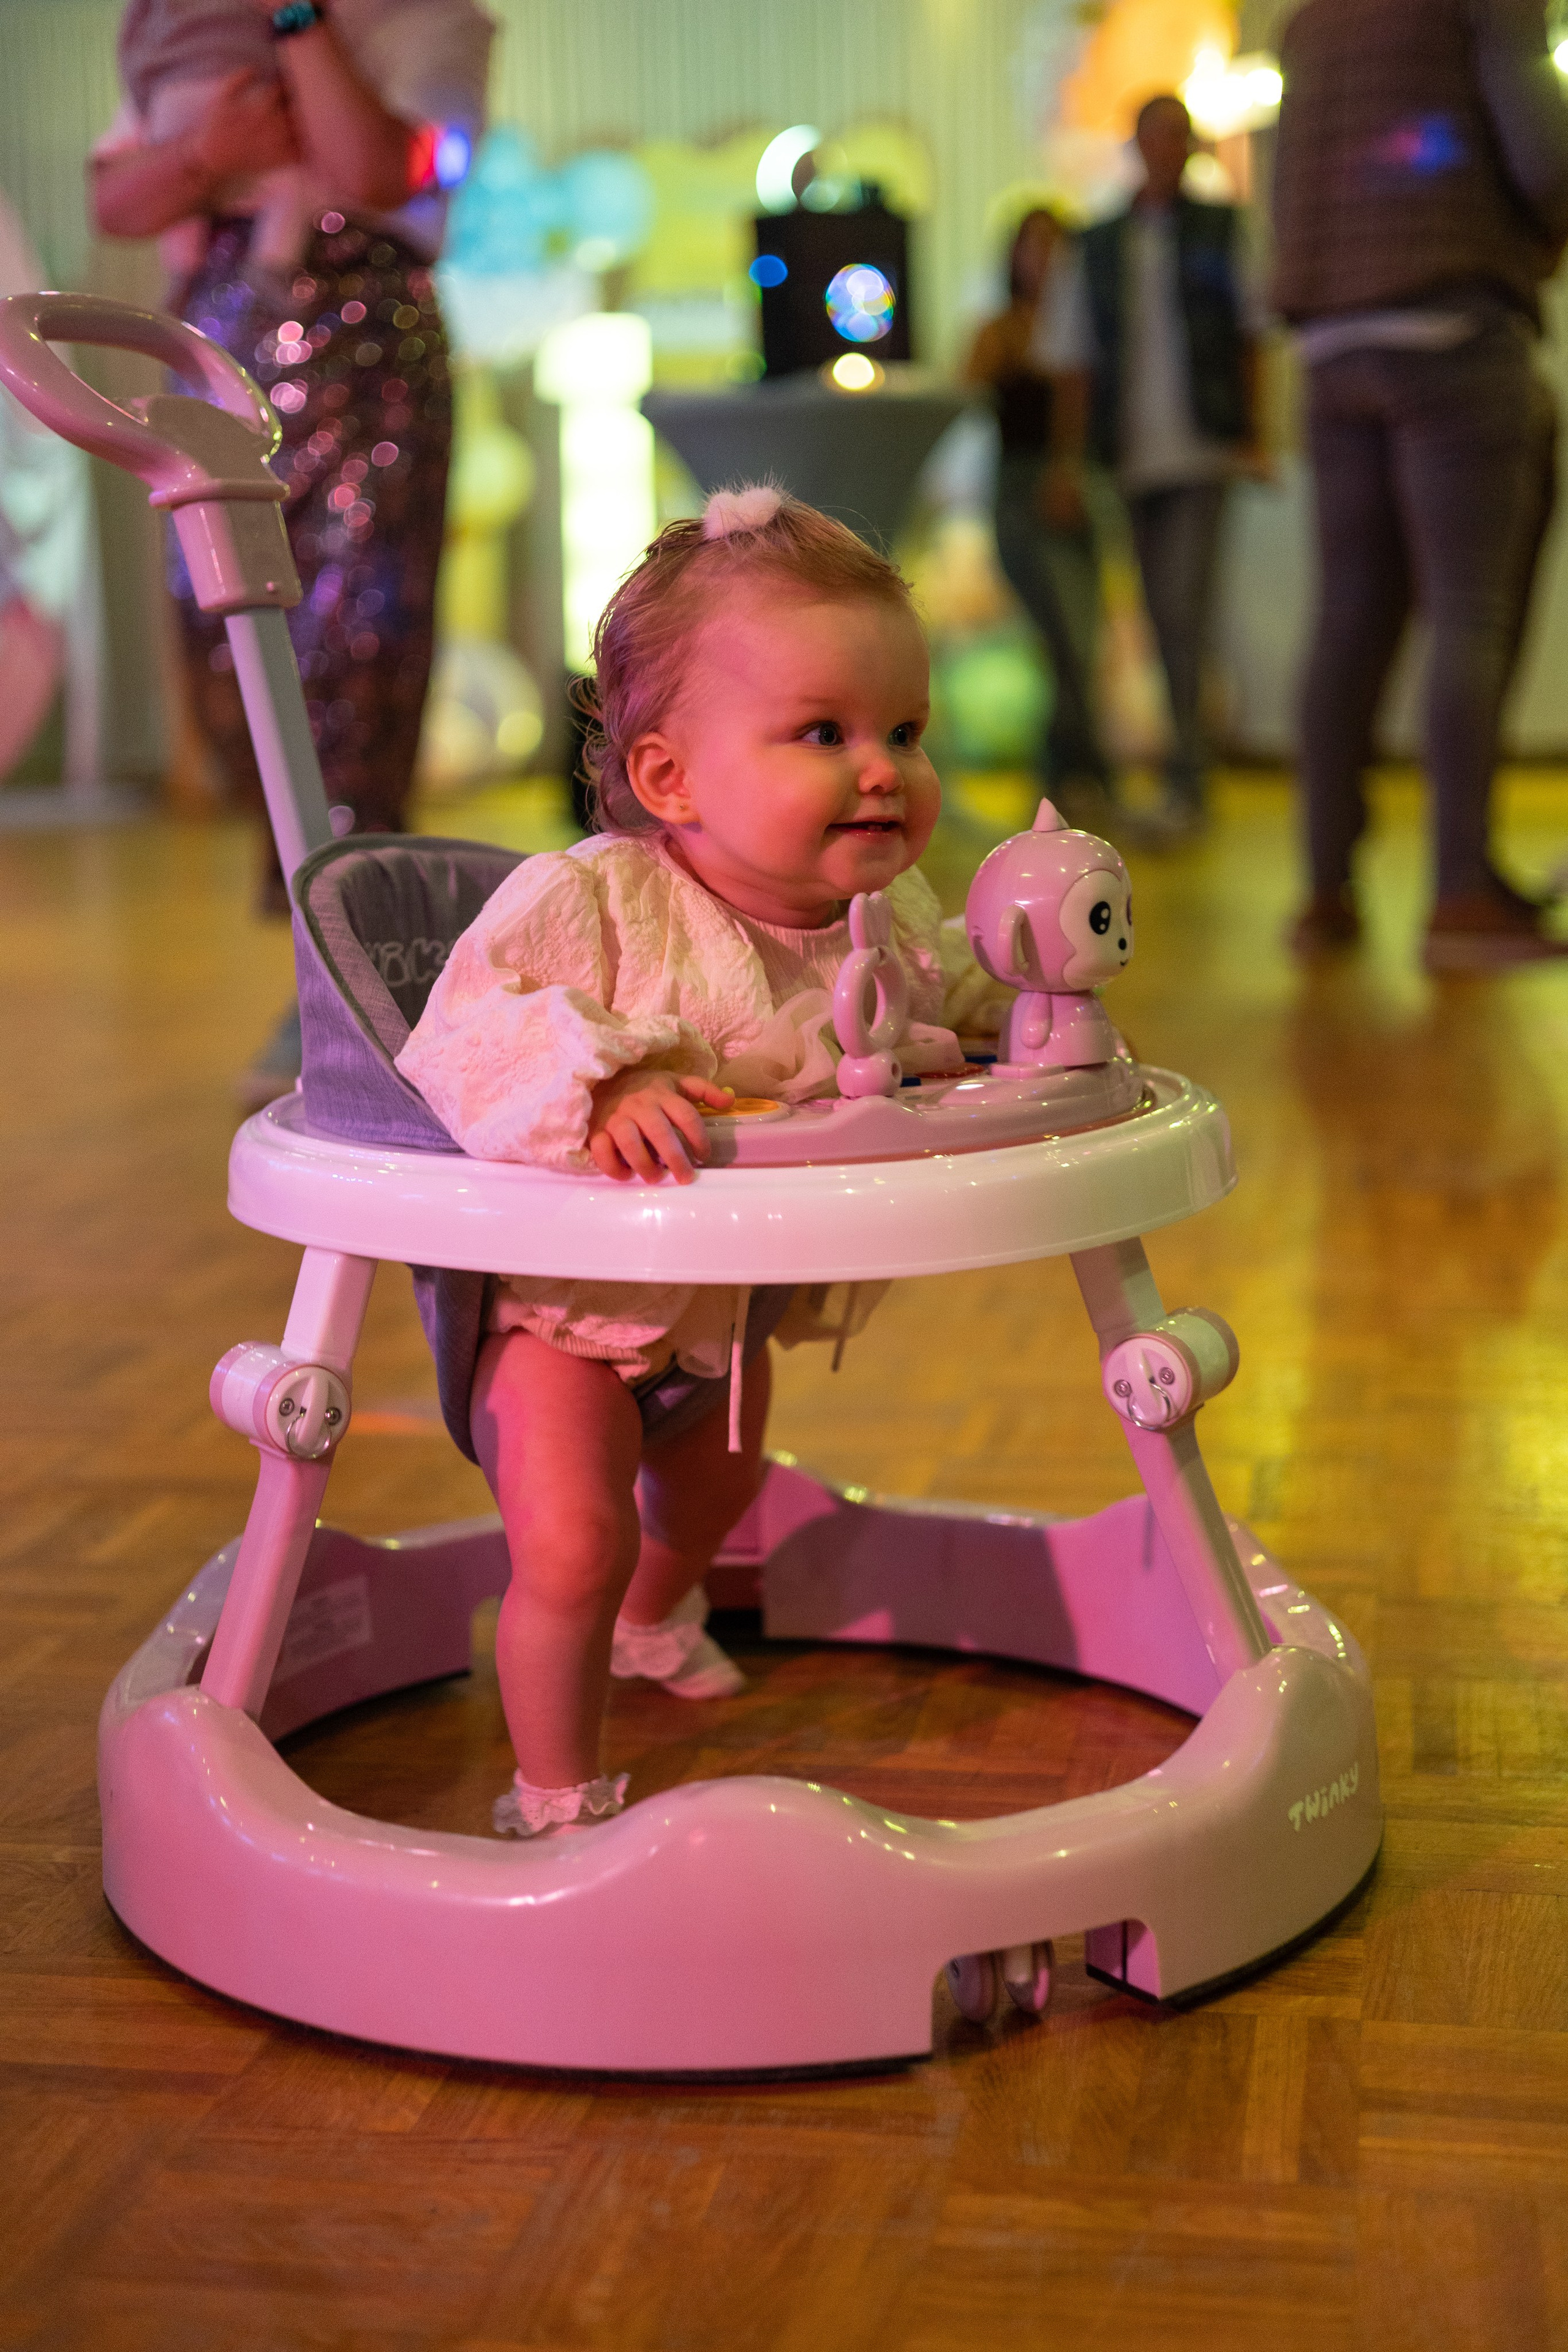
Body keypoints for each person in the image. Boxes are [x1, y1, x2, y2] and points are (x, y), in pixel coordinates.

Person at [394, 485, 1009, 1838]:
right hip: (560, 1323)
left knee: (718, 1490)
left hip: (722, 1314)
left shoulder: (885, 909)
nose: (882, 770)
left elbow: (951, 992)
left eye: (905, 732)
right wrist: (602, 1079)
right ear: (671, 779)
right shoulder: (593, 899)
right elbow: (464, 1029)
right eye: (824, 733)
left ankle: (651, 1618)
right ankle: (554, 1796)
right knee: (573, 1541)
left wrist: (1029, 1012)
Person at [91, 0, 493, 1093]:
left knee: (357, 656)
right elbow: (116, 200)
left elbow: (378, 167)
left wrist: (297, 24)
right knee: (223, 651)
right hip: (218, 342)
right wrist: (206, 153)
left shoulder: (430, 25)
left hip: (369, 346)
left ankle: (354, 983)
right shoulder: (187, 31)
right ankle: (337, 963)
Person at [1273, 0, 1568, 968]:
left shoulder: (1309, 18)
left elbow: (1289, 187)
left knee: (1348, 618)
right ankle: (1461, 892)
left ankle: (1325, 889)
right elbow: (1547, 160)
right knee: (1469, 612)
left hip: (1330, 343)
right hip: (1453, 325)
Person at [1040, 93, 1269, 837]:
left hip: (1200, 449)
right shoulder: (1096, 244)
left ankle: (1188, 780)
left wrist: (1253, 433)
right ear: (1136, 146)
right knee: (1157, 616)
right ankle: (1182, 776)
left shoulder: (1223, 230)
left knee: (1181, 614)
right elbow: (1073, 362)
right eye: (1157, 136)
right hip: (1129, 456)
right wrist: (1068, 462)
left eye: (1178, 136)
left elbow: (1250, 334)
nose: (1168, 149)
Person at [964, 207, 1112, 820]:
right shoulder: (999, 331)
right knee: (1061, 638)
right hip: (1019, 494)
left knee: (1081, 639)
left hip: (1078, 490)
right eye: (1033, 246)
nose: (1044, 259)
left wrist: (1071, 472)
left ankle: (1069, 774)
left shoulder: (1088, 327)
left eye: (1054, 246)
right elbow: (963, 391)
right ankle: (1084, 775)